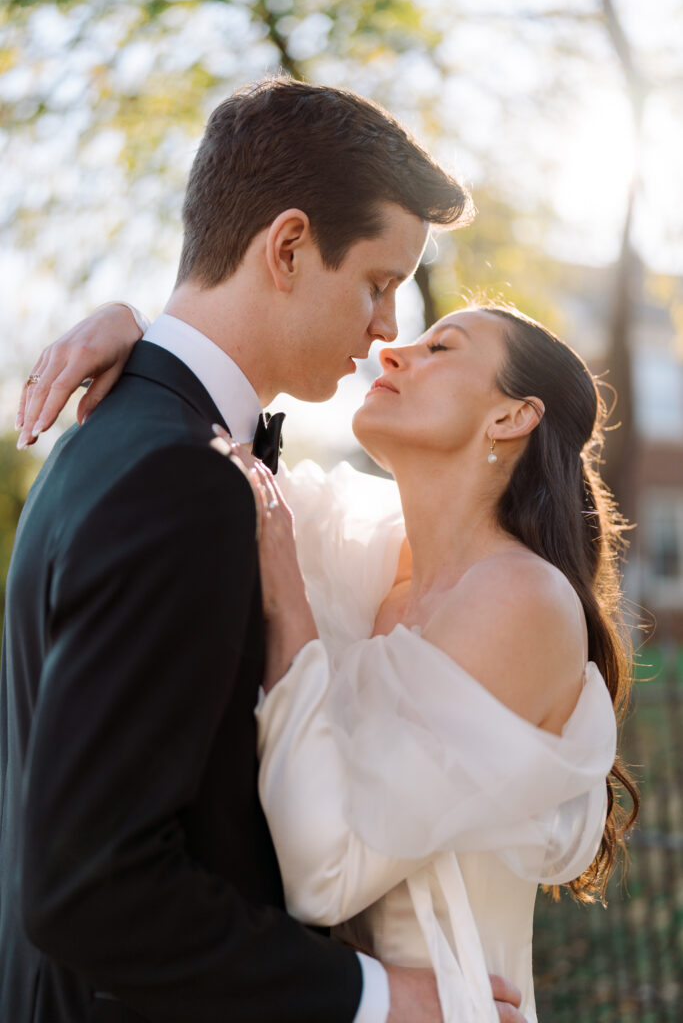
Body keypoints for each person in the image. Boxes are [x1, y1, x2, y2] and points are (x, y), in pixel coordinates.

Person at [0, 77, 528, 1023]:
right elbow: (90, 887)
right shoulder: (178, 476)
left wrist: (133, 325)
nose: (384, 330)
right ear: (287, 247)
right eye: (377, 284)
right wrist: (378, 999)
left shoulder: (118, 436)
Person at [14, 299, 638, 1021]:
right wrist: (142, 336)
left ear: (510, 418)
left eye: (442, 349)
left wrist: (289, 606)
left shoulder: (523, 600)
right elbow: (210, 452)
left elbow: (325, 874)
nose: (395, 352)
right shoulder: (363, 548)